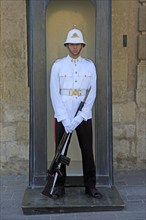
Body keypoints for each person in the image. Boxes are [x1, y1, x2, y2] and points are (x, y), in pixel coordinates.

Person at [50, 28, 103, 199]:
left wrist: (79, 118)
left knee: (87, 151)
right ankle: (59, 186)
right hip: (63, 115)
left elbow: (92, 93)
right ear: (67, 45)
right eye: (72, 44)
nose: (74, 47)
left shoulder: (89, 65)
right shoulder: (58, 65)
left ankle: (90, 186)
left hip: (83, 116)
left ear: (82, 45)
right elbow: (54, 93)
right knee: (60, 152)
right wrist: (65, 119)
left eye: (77, 44)